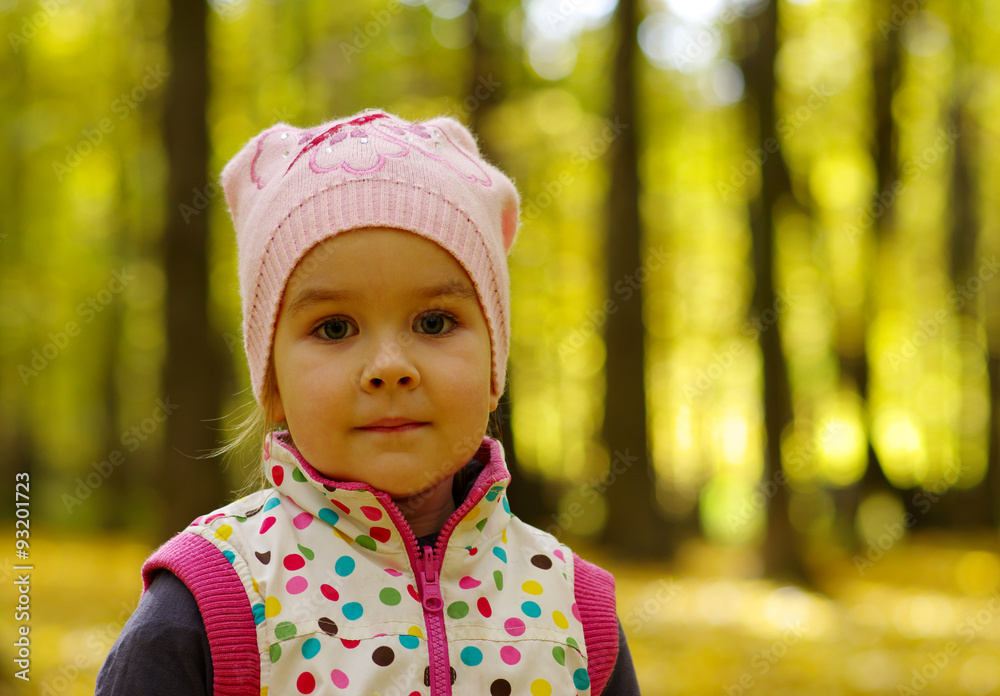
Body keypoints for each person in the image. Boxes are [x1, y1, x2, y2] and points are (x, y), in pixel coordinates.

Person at [97, 109, 641, 695]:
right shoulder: (211, 602)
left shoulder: (574, 613)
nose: (389, 368)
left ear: (493, 367)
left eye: (434, 322)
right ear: (273, 383)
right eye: (334, 328)